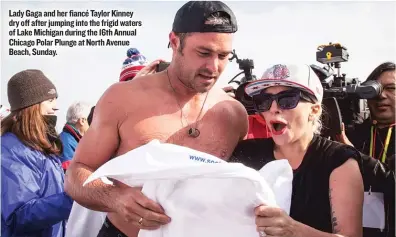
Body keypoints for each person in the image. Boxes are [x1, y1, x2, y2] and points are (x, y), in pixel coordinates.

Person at [64, 2, 248, 237]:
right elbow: (76, 174)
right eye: (203, 53)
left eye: (223, 56)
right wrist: (116, 198)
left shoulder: (233, 115)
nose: (213, 67)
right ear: (175, 42)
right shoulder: (122, 98)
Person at [229, 64, 364, 237]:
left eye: (287, 99)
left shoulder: (339, 161)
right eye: (264, 101)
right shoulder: (244, 155)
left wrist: (294, 231)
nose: (273, 108)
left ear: (314, 110)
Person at [1, 69, 73, 237]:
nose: (55, 106)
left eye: (55, 100)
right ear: (31, 106)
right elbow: (18, 215)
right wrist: (74, 200)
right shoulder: (11, 150)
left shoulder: (40, 146)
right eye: (49, 100)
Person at [336, 62, 395, 237]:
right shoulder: (352, 133)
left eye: (391, 88)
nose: (381, 96)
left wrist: (354, 157)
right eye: (374, 89)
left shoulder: (348, 142)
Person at [59, 101, 92, 170]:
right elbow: (70, 173)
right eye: (92, 118)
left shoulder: (74, 139)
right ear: (82, 121)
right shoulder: (65, 142)